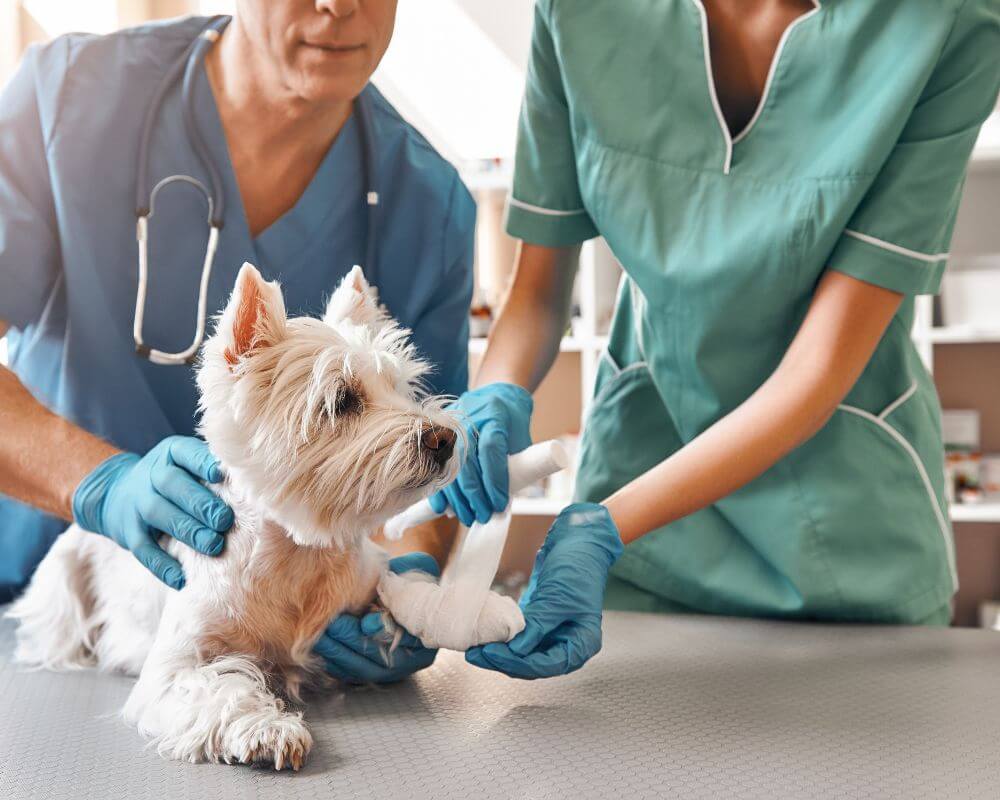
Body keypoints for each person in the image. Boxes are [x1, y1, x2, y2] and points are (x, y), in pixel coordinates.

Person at [433, 0, 1000, 679]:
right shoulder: (581, 14)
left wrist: (603, 528)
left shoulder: (947, 24)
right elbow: (535, 297)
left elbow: (815, 372)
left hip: (848, 542)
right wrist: (494, 392)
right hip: (644, 525)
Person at [0, 0, 474, 683]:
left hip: (280, 643)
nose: (340, 7)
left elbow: (429, 477)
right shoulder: (67, 100)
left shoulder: (427, 205)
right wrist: (99, 487)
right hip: (48, 620)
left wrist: (408, 580)